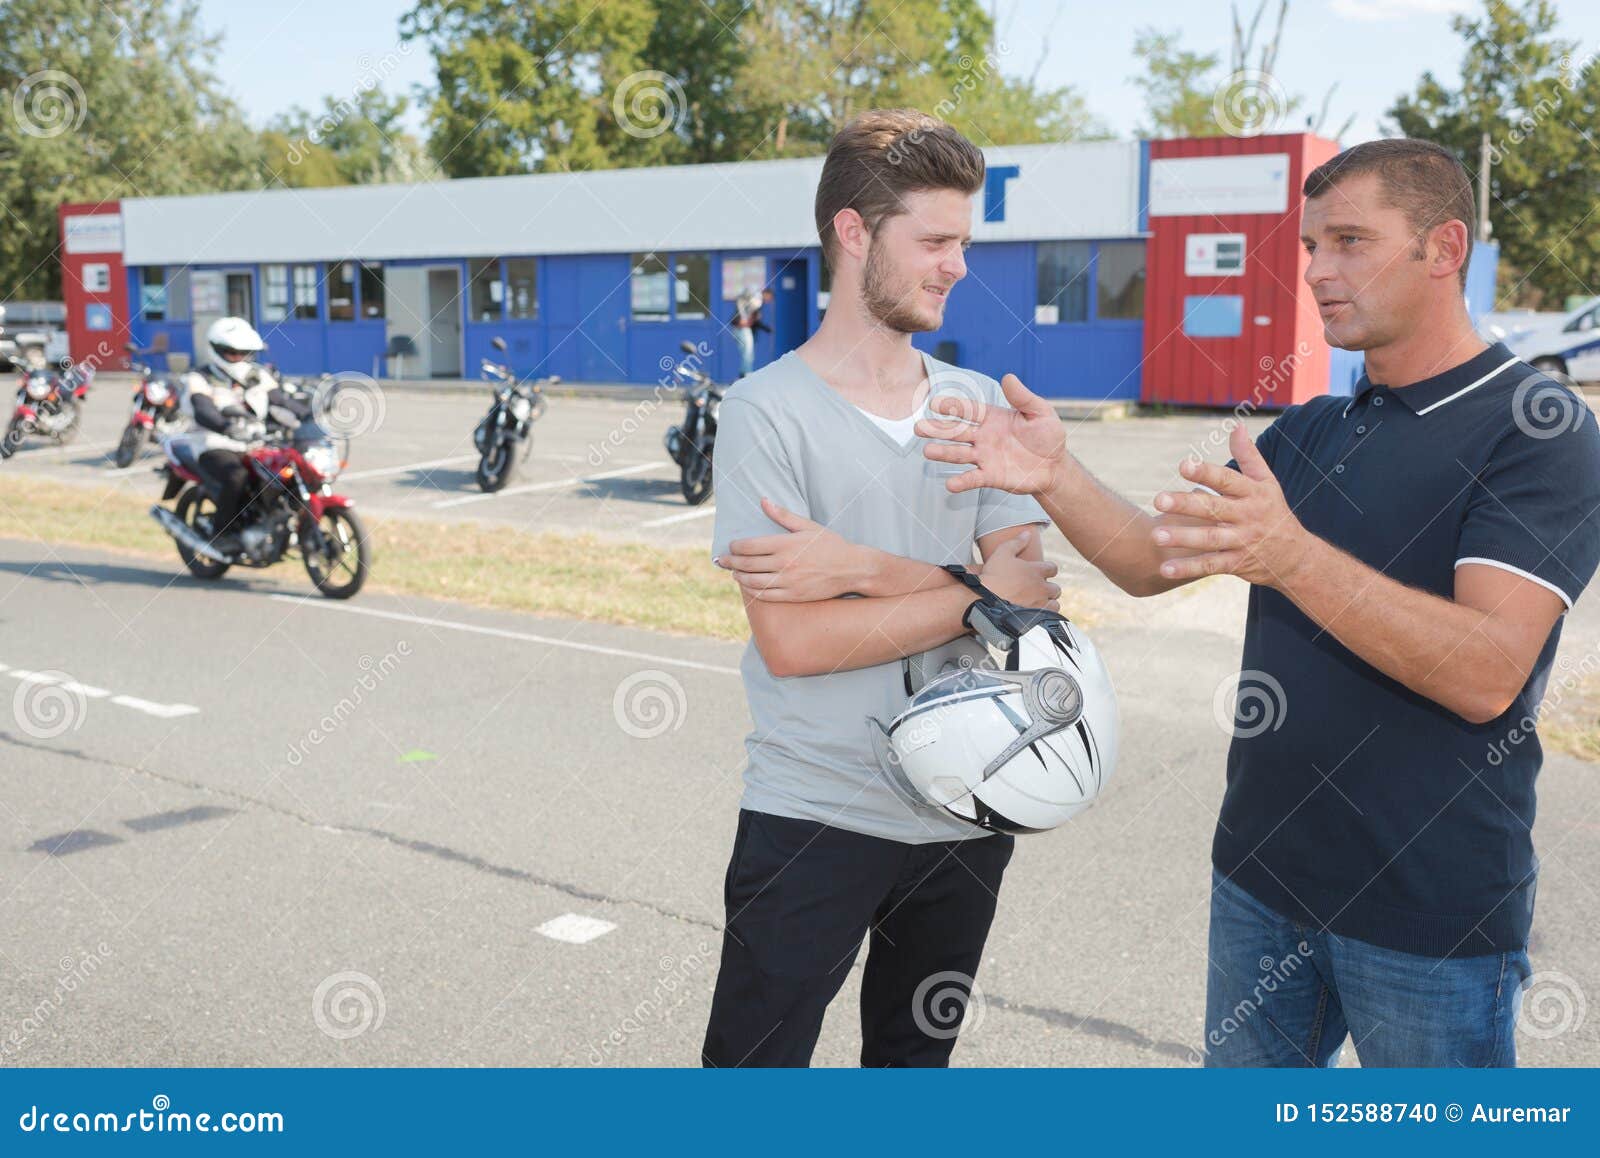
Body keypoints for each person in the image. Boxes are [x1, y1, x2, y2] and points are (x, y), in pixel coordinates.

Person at [914, 138, 1600, 1067]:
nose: (1315, 271)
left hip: (1427, 917)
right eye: (1311, 245)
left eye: (1350, 241)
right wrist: (1055, 473)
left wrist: (1290, 557)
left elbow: (1485, 673)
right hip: (1261, 885)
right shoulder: (1319, 425)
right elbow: (1153, 563)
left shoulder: (1537, 431)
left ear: (1444, 248)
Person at [702, 109, 1058, 1067]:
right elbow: (797, 645)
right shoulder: (765, 412)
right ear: (853, 234)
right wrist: (976, 589)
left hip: (968, 810)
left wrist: (862, 574)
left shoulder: (976, 405)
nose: (956, 265)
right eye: (934, 241)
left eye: (964, 242)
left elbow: (1033, 604)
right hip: (815, 814)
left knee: (911, 1077)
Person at [172, 316, 307, 556]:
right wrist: (226, 427)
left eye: (244, 352)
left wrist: (310, 415)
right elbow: (203, 410)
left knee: (292, 473)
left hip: (256, 444)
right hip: (214, 444)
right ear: (216, 349)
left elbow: (281, 401)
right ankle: (221, 535)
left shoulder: (258, 375)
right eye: (232, 353)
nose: (238, 358)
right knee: (237, 477)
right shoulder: (199, 378)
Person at [730, 287, 773, 378]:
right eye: (769, 298)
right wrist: (739, 320)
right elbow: (740, 308)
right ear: (766, 294)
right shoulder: (756, 300)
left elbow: (754, 320)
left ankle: (744, 375)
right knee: (748, 354)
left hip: (743, 329)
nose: (769, 301)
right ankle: (745, 375)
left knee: (748, 354)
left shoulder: (756, 305)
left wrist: (766, 328)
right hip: (741, 329)